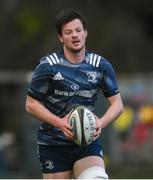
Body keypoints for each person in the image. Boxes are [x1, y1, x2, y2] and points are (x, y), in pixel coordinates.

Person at [25, 9, 124, 179]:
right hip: (54, 144)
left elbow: (118, 104)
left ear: (85, 33)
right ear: (61, 37)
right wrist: (60, 123)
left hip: (86, 141)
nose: (75, 35)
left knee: (96, 177)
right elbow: (31, 104)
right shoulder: (48, 66)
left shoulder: (100, 65)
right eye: (68, 32)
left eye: (78, 30)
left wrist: (101, 122)